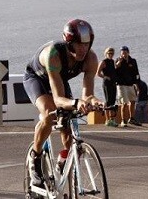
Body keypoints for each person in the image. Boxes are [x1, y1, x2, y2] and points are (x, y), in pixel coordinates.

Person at [23, 19, 104, 187]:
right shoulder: (54, 54)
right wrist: (76, 102)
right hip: (37, 78)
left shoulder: (91, 58)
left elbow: (87, 94)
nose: (83, 49)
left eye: (86, 44)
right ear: (68, 43)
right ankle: (35, 158)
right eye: (78, 44)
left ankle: (63, 161)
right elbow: (58, 99)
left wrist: (94, 101)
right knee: (50, 113)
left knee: (68, 125)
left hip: (59, 78)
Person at [115, 45, 141, 127]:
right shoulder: (118, 60)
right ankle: (123, 120)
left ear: (128, 52)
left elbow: (136, 73)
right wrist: (120, 62)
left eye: (125, 52)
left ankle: (131, 119)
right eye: (122, 53)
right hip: (121, 85)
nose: (124, 54)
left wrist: (137, 85)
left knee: (133, 101)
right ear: (120, 53)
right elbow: (115, 68)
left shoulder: (132, 61)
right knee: (124, 103)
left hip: (130, 84)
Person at [96, 47, 118, 127]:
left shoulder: (113, 62)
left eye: (112, 53)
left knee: (112, 102)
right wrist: (105, 77)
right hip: (107, 83)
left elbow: (114, 71)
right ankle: (107, 120)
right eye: (109, 53)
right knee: (108, 101)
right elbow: (98, 73)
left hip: (113, 83)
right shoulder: (103, 62)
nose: (111, 55)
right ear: (106, 53)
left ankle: (112, 119)